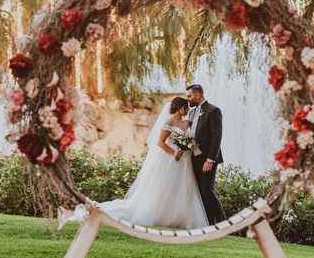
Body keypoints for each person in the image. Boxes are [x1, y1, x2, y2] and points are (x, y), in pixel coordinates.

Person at [58, 96, 209, 229]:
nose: (188, 110)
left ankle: (181, 215)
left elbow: (191, 137)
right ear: (180, 108)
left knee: (183, 186)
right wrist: (174, 152)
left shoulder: (186, 124)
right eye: (186, 107)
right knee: (165, 187)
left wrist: (190, 148)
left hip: (184, 162)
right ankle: (162, 214)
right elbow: (161, 143)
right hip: (170, 159)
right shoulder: (168, 123)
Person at [185, 84, 227, 224]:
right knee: (200, 193)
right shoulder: (191, 112)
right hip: (193, 157)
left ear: (198, 95)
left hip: (207, 159)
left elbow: (217, 136)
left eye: (189, 96)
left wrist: (210, 159)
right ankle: (210, 223)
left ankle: (222, 223)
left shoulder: (213, 110)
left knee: (207, 191)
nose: (188, 99)